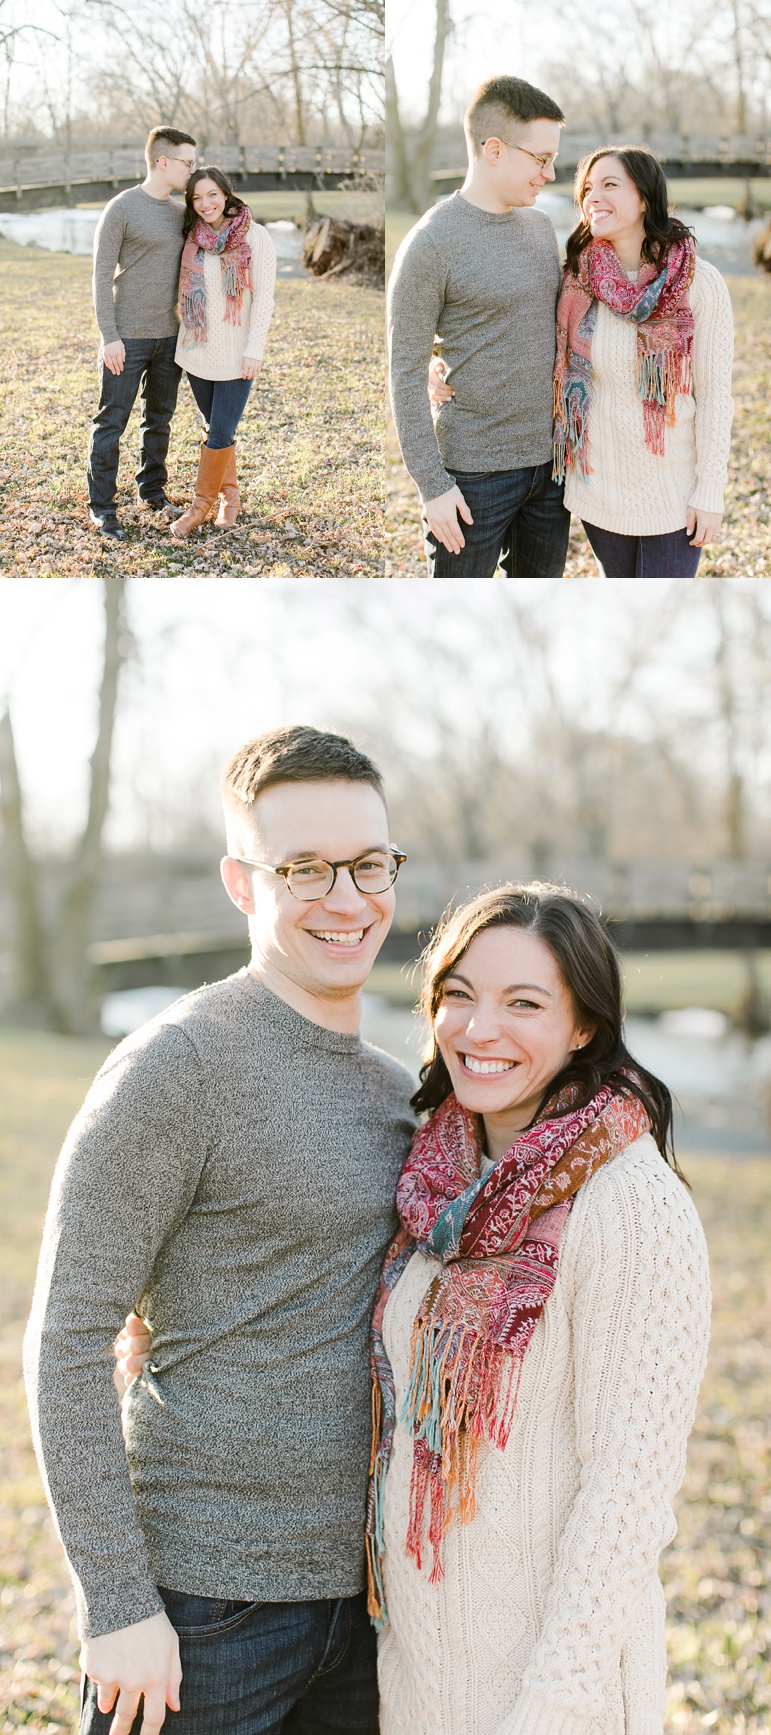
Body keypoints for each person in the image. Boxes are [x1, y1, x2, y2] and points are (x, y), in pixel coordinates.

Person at [23, 725, 415, 1735]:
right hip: (201, 1611)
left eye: (369, 864)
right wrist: (118, 1602)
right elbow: (67, 1341)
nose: (347, 898)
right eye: (304, 868)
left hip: (370, 1607)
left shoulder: (399, 1094)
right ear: (243, 883)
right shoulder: (177, 1070)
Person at [366, 884, 711, 1733]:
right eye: (458, 995)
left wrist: (549, 1713)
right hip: (418, 1689)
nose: (479, 1029)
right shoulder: (430, 1187)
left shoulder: (630, 1203)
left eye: (523, 1003)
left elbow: (624, 1505)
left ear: (584, 1025)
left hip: (556, 1701)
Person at [432, 146, 735, 578]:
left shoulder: (698, 283)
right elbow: (499, 322)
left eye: (610, 185)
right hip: (599, 497)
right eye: (587, 188)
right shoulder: (575, 280)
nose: (593, 196)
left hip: (674, 496)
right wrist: (435, 359)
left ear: (646, 196)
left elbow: (716, 399)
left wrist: (710, 490)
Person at [388, 75, 571, 578]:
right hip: (472, 478)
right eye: (541, 159)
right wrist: (432, 486)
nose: (551, 174)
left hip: (551, 469)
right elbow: (403, 372)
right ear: (494, 148)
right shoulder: (430, 245)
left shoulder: (539, 227)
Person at [87, 126, 197, 541]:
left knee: (160, 420)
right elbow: (100, 276)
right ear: (163, 162)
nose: (192, 169)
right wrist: (108, 335)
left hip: (170, 336)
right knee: (111, 422)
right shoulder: (122, 208)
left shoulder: (179, 212)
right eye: (187, 162)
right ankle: (103, 509)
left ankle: (152, 491)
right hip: (127, 337)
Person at [171, 167, 277, 539]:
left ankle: (200, 506)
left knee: (220, 433)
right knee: (216, 428)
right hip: (196, 351)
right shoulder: (192, 238)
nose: (205, 204)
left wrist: (255, 350)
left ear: (226, 194)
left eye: (212, 195)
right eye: (197, 198)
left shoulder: (255, 236)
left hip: (236, 356)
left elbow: (263, 297)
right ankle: (230, 498)